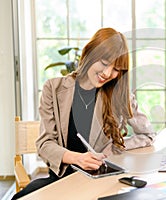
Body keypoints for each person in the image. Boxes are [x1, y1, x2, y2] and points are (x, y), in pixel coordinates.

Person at [12, 27, 156, 199]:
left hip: (102, 182)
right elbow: (44, 144)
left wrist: (115, 146)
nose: (108, 73)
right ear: (90, 54)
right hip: (61, 180)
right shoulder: (53, 89)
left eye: (116, 69)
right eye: (104, 63)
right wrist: (77, 158)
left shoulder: (118, 94)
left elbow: (148, 134)